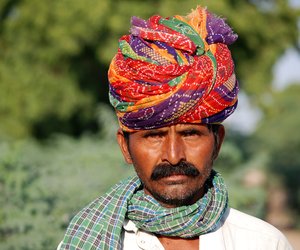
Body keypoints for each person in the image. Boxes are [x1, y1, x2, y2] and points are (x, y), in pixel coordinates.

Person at [58, 6, 293, 250]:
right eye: (154, 136)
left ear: (217, 142)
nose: (173, 155)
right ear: (125, 147)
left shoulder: (262, 242)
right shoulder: (92, 239)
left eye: (190, 134)